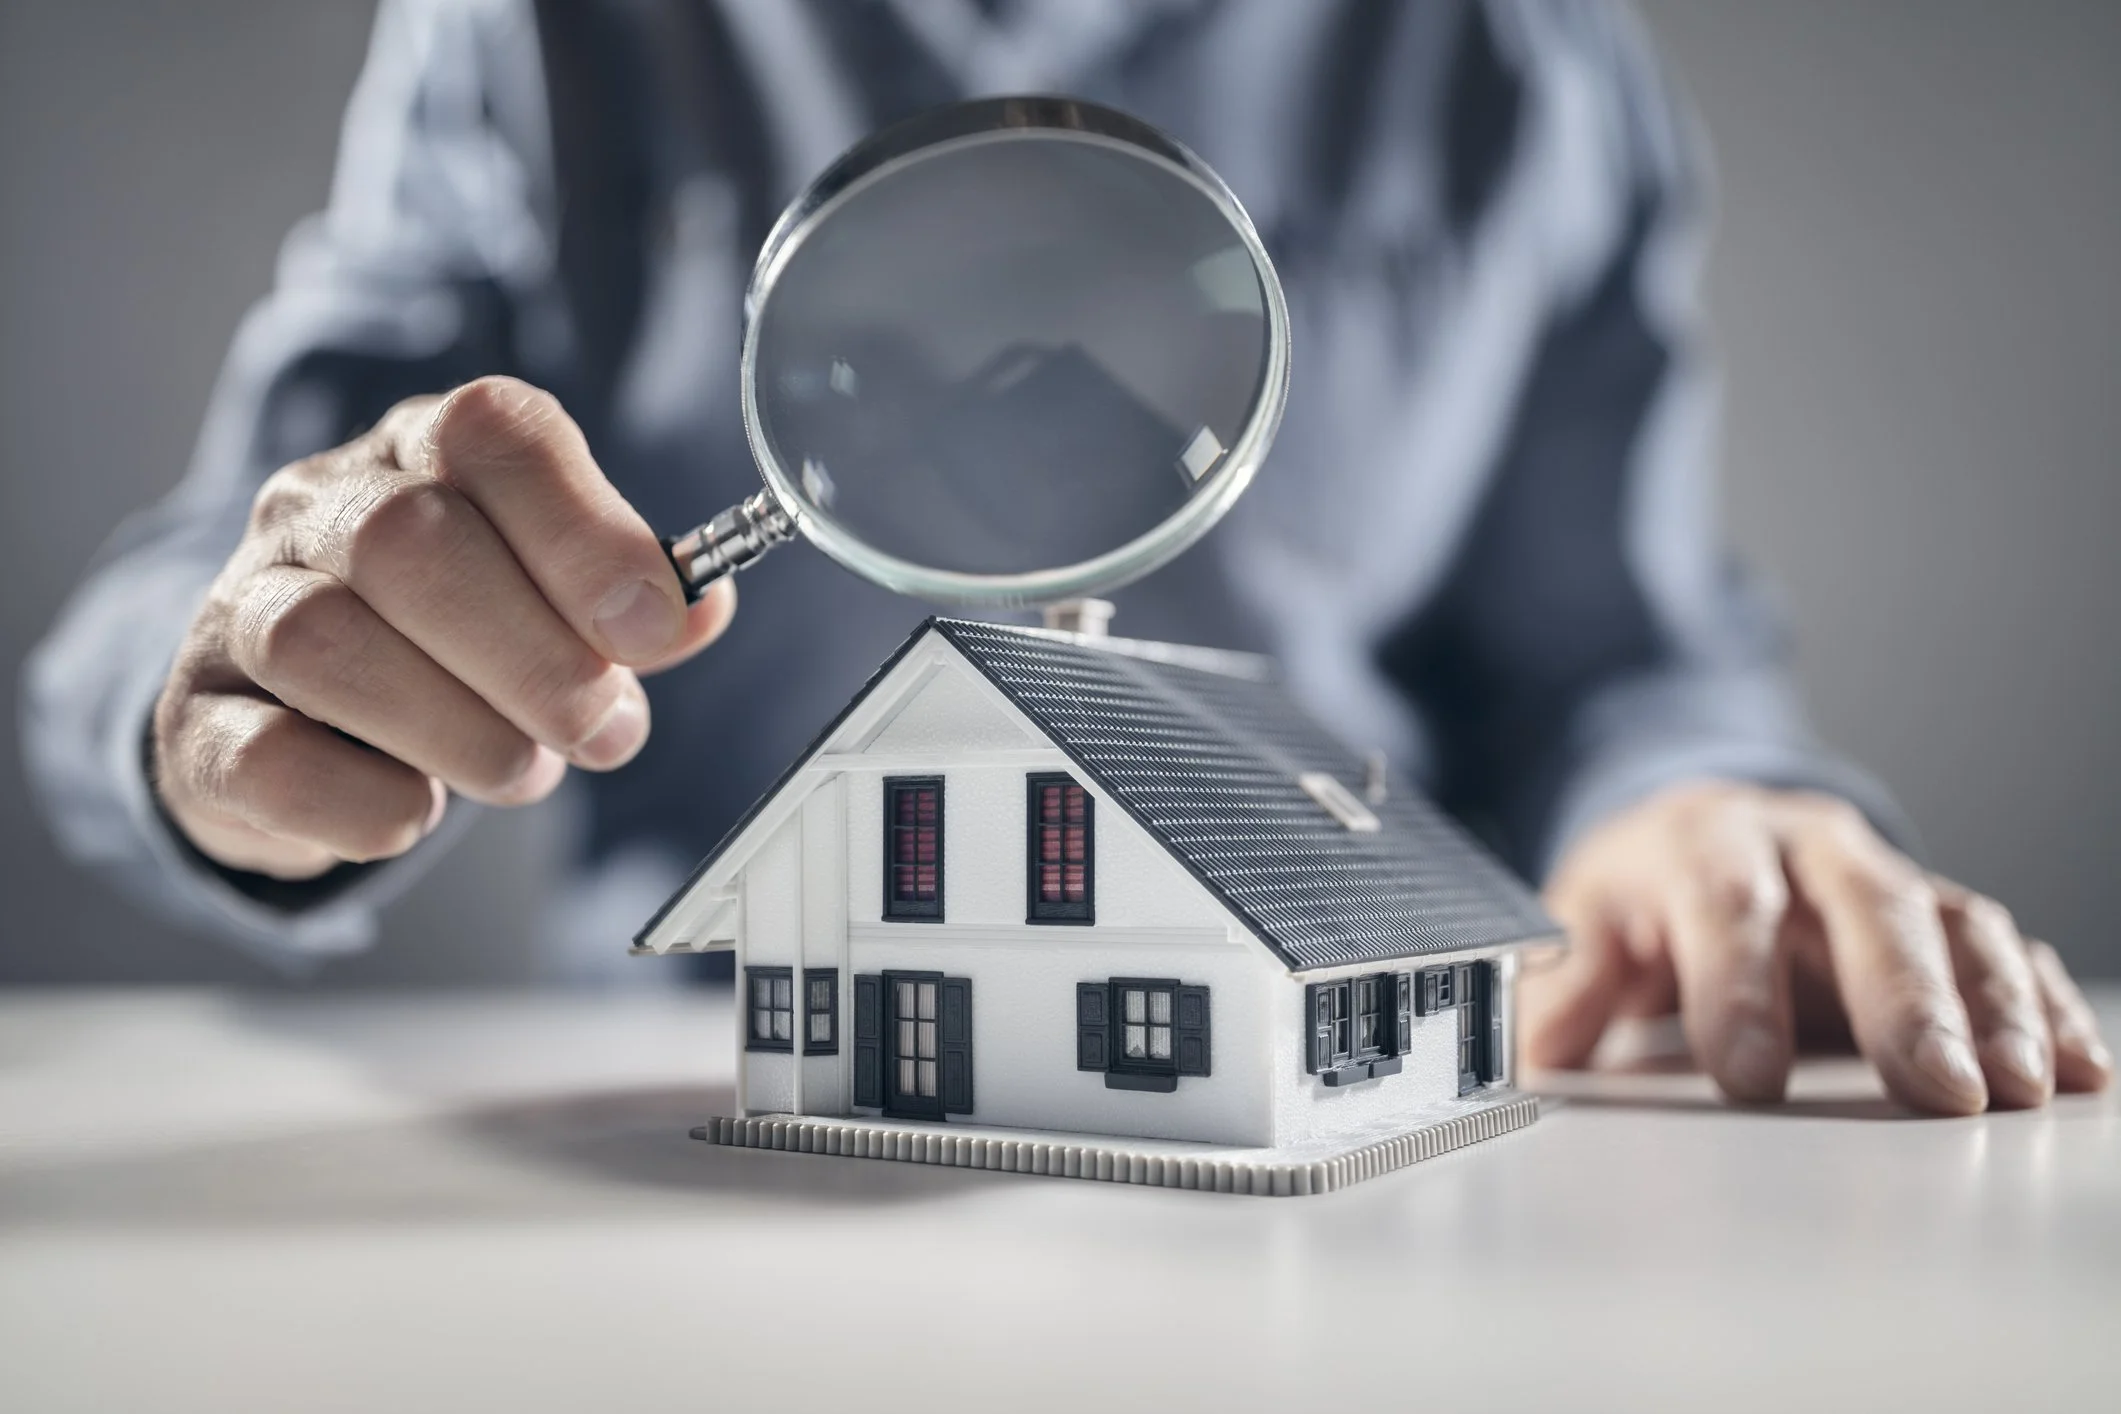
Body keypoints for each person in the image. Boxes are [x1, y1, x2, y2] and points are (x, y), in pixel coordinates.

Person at [23, 0, 2109, 1115]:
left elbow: (1619, 660)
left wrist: (1688, 807)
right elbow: (211, 571)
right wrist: (225, 695)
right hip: (675, 1127)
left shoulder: (1513, 56)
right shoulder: (536, 29)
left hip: (1343, 1167)